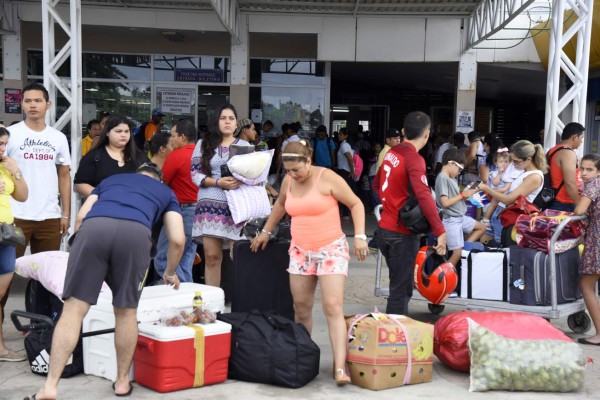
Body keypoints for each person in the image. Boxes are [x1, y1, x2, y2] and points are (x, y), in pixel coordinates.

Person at [26, 164, 185, 400]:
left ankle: (50, 386)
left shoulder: (111, 181)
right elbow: (178, 239)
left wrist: (81, 249)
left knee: (73, 310)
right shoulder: (166, 193)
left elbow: (80, 217)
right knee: (126, 312)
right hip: (135, 235)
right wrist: (170, 272)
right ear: (158, 180)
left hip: (94, 229)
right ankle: (122, 382)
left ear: (135, 175)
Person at [249, 140, 367, 386]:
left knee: (332, 307)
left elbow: (355, 203)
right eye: (288, 170)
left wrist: (360, 236)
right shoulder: (289, 181)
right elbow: (281, 205)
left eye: (296, 170)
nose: (293, 175)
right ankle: (304, 357)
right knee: (301, 307)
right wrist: (266, 232)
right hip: (301, 251)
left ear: (309, 161)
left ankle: (339, 366)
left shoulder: (328, 177)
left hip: (330, 249)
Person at [373, 111, 447, 315]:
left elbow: (377, 184)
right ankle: (393, 342)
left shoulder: (392, 152)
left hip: (384, 232)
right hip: (401, 236)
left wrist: (392, 205)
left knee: (398, 284)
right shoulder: (414, 159)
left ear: (404, 132)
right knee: (401, 290)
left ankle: (392, 337)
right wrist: (440, 230)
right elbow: (424, 196)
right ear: (427, 134)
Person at [6, 82, 71, 254]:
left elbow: (64, 176)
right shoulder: (10, 134)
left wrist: (65, 214)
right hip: (15, 214)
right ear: (22, 104)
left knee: (45, 273)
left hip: (50, 215)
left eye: (38, 100)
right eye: (27, 101)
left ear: (48, 104)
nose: (32, 105)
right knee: (9, 269)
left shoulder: (58, 138)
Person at [190, 104, 250, 287]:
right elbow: (194, 174)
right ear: (217, 121)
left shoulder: (244, 146)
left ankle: (239, 304)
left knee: (238, 257)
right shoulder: (203, 144)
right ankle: (212, 304)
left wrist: (243, 180)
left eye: (231, 118)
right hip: (209, 207)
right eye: (223, 118)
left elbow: (253, 176)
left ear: (236, 123)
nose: (227, 122)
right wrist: (217, 182)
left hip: (236, 207)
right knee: (212, 257)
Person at [153, 120, 199, 283]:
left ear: (183, 137)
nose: (171, 139)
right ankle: (189, 298)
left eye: (173, 135)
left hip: (181, 212)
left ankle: (181, 295)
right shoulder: (205, 155)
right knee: (186, 259)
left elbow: (162, 183)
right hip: (201, 213)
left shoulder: (177, 155)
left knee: (165, 258)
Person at [478, 140, 546, 245]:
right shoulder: (523, 171)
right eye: (512, 161)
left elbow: (510, 199)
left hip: (509, 215)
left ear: (528, 159)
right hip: (501, 211)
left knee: (500, 248)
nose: (513, 164)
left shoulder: (534, 177)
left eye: (516, 161)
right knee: (490, 244)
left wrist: (487, 189)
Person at [0, 127, 28, 362]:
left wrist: (16, 171)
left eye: (4, 144)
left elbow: (22, 196)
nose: (2, 148)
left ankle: (0, 349)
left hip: (6, 234)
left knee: (0, 294)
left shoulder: (6, 164)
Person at [74, 115, 148, 198]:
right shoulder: (94, 156)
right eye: (118, 131)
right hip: (103, 208)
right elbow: (80, 183)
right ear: (107, 132)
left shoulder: (140, 157)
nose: (123, 135)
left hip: (135, 207)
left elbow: (151, 183)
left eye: (127, 131)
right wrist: (101, 197)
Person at [434, 148, 486, 266]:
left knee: (482, 227)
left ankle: (465, 250)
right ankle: (443, 278)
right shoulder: (442, 178)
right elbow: (445, 202)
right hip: (451, 220)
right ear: (451, 163)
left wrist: (467, 193)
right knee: (456, 253)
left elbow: (456, 198)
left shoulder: (451, 178)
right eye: (459, 169)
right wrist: (463, 195)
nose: (459, 172)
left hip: (460, 217)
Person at [573, 153, 600, 345]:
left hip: (597, 241)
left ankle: (599, 334)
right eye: (582, 168)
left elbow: (579, 210)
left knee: (586, 286)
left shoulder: (593, 186)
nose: (584, 173)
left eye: (589, 169)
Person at [546, 122, 585, 212]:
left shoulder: (552, 150)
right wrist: (579, 205)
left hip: (554, 199)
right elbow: (570, 183)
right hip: (564, 202)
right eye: (581, 138)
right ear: (575, 137)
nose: (581, 141)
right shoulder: (567, 153)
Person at [336, 128, 356, 220]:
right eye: (339, 134)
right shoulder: (346, 145)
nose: (339, 136)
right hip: (344, 171)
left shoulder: (344, 145)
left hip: (345, 171)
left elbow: (350, 158)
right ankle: (345, 213)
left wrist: (352, 171)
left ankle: (346, 214)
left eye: (341, 134)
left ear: (346, 136)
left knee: (345, 193)